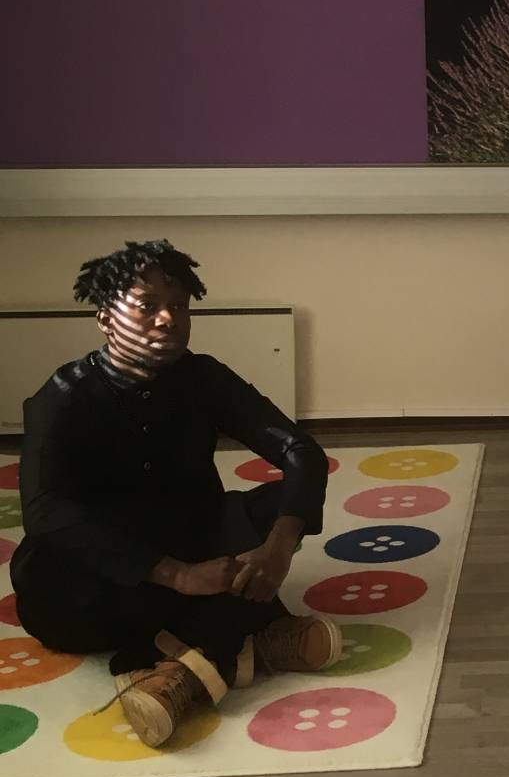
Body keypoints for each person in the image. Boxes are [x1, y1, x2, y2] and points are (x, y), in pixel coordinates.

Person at [15, 240, 343, 748]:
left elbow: (300, 451)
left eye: (180, 306)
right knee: (55, 580)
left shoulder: (203, 376)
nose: (168, 319)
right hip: (101, 577)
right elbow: (44, 513)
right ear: (106, 319)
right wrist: (178, 575)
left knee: (280, 506)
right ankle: (246, 641)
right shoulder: (61, 397)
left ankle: (179, 671)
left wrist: (279, 548)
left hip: (193, 544)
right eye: (147, 306)